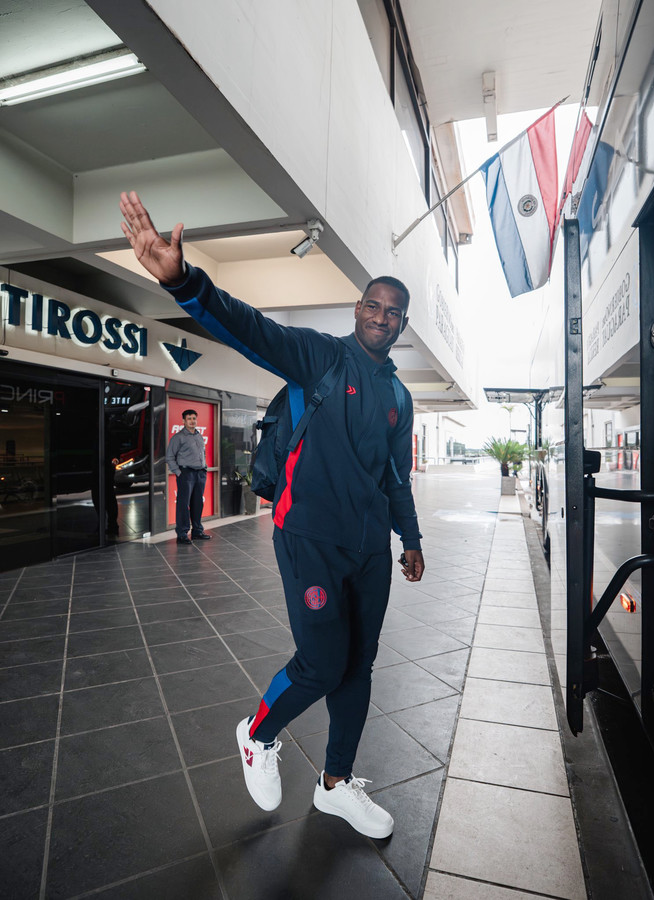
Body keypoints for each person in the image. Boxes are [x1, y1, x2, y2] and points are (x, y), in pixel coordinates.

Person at [120, 190, 424, 839]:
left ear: (402, 324)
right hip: (308, 538)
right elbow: (252, 329)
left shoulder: (399, 396)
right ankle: (258, 734)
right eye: (372, 304)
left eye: (393, 311)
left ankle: (336, 786)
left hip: (370, 551)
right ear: (359, 310)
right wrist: (184, 282)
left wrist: (412, 538)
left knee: (357, 666)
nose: (381, 316)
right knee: (321, 663)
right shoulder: (321, 355)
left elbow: (397, 475)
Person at [166, 408, 213, 544]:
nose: (192, 421)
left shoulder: (198, 436)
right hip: (186, 474)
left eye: (194, 418)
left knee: (198, 503)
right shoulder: (178, 437)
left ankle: (197, 531)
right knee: (183, 504)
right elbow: (169, 457)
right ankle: (182, 533)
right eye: (189, 419)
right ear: (183, 421)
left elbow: (202, 454)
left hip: (200, 473)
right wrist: (178, 472)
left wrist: (204, 467)